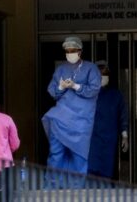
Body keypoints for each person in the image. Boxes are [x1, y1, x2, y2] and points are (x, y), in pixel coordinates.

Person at [41, 36, 101, 187]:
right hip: (60, 120)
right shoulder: (61, 69)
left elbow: (94, 89)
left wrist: (76, 86)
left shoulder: (91, 69)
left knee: (79, 157)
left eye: (73, 50)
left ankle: (76, 192)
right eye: (67, 51)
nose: (70, 53)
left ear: (80, 51)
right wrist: (61, 87)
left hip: (81, 123)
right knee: (56, 156)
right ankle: (52, 190)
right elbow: (53, 92)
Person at [88, 61, 129, 179]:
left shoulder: (116, 96)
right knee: (91, 174)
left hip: (108, 142)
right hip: (92, 143)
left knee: (106, 174)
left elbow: (123, 116)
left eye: (105, 74)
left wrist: (124, 135)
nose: (102, 77)